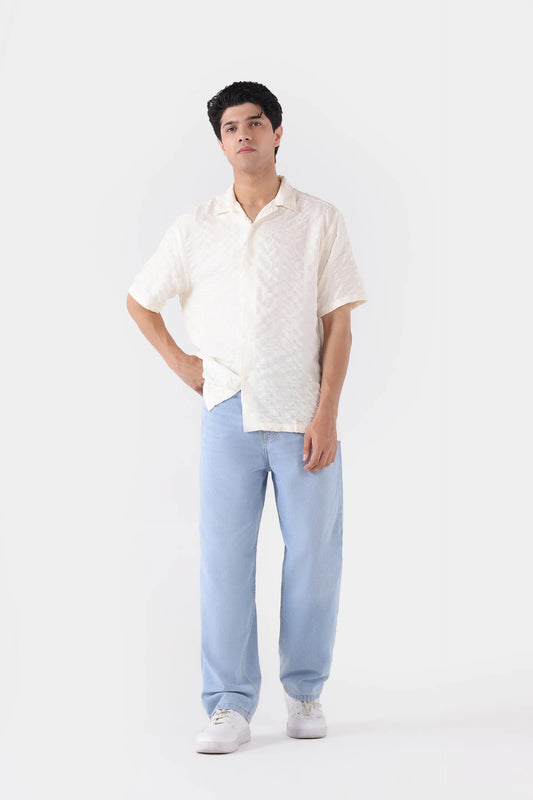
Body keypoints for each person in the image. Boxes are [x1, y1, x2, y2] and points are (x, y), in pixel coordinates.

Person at [126, 80, 368, 755]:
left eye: (255, 123)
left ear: (277, 133)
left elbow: (339, 324)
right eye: (231, 127)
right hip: (226, 412)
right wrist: (181, 362)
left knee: (314, 556)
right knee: (224, 560)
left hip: (302, 414)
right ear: (220, 142)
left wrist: (328, 413)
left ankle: (305, 691)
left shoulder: (318, 220)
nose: (243, 135)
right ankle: (229, 705)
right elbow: (141, 300)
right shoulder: (194, 226)